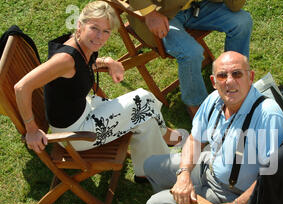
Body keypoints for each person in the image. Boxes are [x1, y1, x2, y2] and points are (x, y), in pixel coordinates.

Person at [103, 51, 283, 204]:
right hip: (208, 166)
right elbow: (195, 140)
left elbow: (271, 176)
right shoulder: (215, 100)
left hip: (231, 194)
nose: (229, 82)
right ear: (213, 81)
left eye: (237, 74)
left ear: (251, 77)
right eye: (222, 76)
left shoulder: (266, 116)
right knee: (151, 165)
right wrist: (183, 175)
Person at [14, 1, 180, 180]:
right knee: (144, 99)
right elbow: (21, 87)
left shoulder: (83, 45)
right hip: (76, 134)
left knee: (145, 119)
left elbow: (83, 66)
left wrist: (108, 62)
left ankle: (147, 173)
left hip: (86, 111)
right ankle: (168, 139)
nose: (100, 36)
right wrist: (31, 129)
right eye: (94, 28)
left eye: (106, 31)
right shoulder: (65, 59)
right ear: (80, 25)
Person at [127, 0, 252, 118]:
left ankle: (235, 83)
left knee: (242, 22)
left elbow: (235, 6)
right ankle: (196, 106)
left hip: (198, 6)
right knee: (190, 53)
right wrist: (150, 13)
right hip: (161, 13)